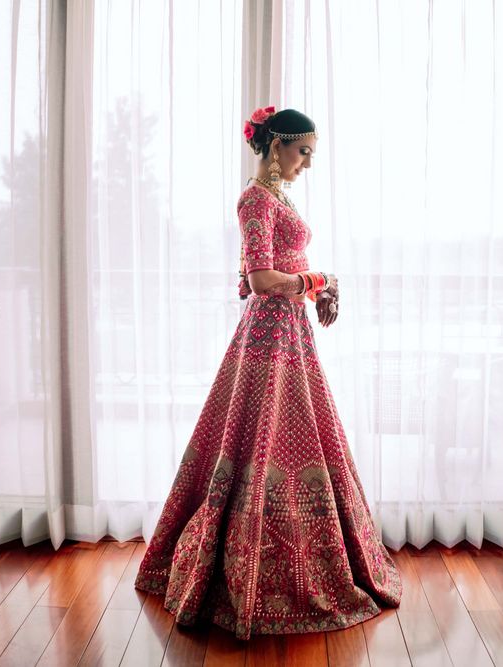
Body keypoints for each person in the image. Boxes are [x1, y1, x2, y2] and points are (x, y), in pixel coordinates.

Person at [134, 106, 401, 640]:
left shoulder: (277, 198)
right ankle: (241, 569)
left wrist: (320, 287)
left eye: (310, 154)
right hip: (269, 333)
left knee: (290, 434)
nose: (307, 162)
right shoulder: (255, 199)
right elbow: (258, 279)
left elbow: (269, 270)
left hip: (289, 332)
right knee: (262, 437)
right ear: (276, 145)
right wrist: (319, 278)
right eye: (302, 151)